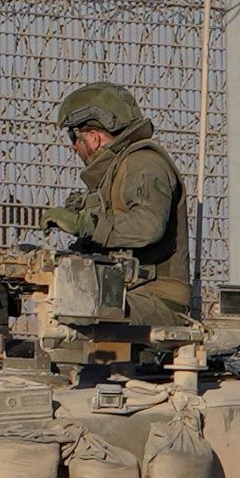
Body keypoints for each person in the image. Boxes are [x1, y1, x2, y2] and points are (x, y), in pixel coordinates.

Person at [43, 83, 191, 316]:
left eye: (74, 136)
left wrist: (86, 224)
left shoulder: (142, 164)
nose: (73, 147)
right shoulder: (116, 171)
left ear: (93, 138)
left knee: (78, 319)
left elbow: (147, 227)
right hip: (126, 292)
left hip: (157, 301)